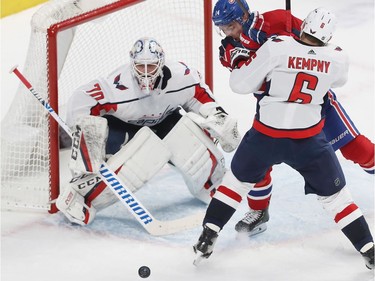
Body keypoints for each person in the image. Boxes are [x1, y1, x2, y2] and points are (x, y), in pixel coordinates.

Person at [193, 8, 374, 270]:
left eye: (230, 25)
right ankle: (259, 212)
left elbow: (308, 43)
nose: (226, 31)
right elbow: (318, 47)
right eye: (222, 27)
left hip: (314, 106)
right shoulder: (231, 46)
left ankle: (210, 230)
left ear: (242, 17)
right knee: (267, 171)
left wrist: (265, 60)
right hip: (296, 117)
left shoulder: (278, 25)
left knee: (356, 148)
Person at [55, 37, 241, 225]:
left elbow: (198, 95)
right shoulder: (117, 86)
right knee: (136, 163)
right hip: (124, 127)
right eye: (140, 66)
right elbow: (82, 100)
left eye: (150, 66)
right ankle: (80, 197)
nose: (145, 73)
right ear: (132, 63)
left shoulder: (181, 76)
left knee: (191, 141)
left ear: (161, 63)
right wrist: (87, 142)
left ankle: (211, 184)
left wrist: (218, 117)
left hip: (164, 120)